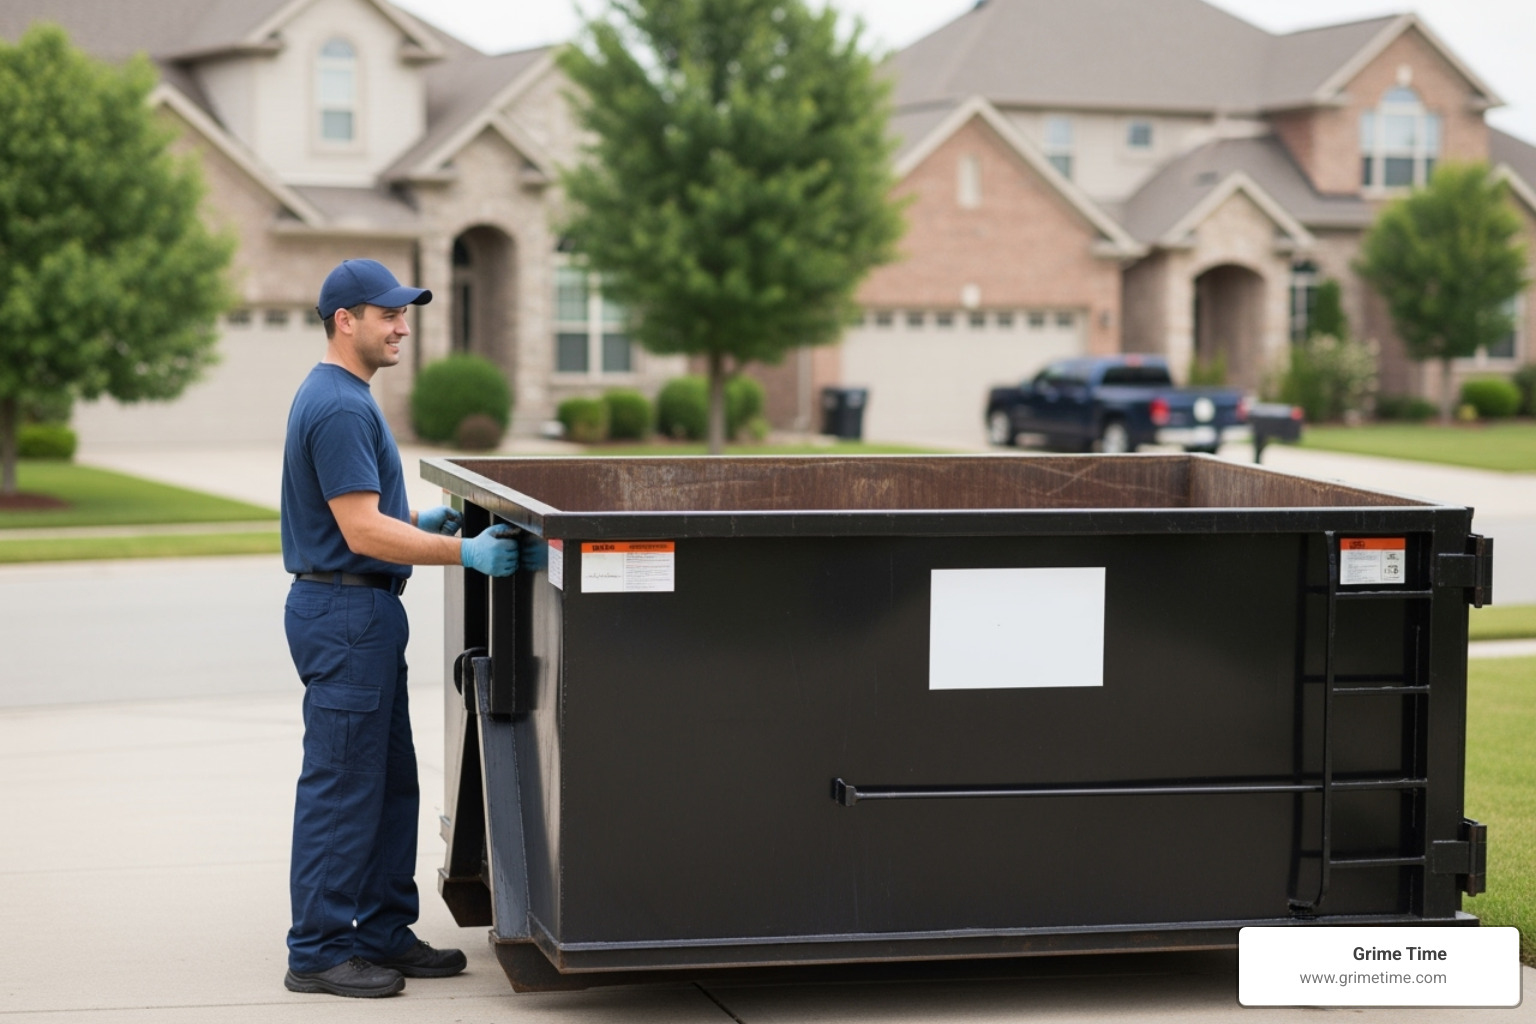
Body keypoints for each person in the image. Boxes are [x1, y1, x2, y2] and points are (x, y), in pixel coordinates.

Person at [279, 259, 521, 998]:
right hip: (347, 611)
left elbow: (361, 515)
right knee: (344, 785)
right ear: (344, 320)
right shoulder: (342, 406)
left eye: (404, 313)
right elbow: (357, 532)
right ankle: (317, 949)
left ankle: (382, 928)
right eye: (388, 314)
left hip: (360, 611)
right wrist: (463, 551)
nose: (403, 327)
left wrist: (418, 520)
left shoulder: (343, 395)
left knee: (388, 785)